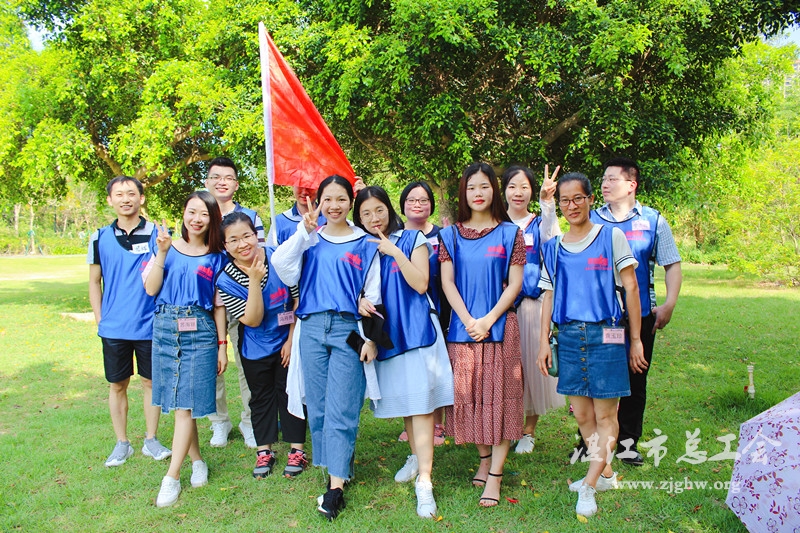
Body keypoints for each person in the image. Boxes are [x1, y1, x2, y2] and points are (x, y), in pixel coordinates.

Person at [536, 172, 647, 517]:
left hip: (607, 334)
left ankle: (589, 483)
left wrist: (636, 340)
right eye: (565, 200)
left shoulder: (611, 237)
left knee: (606, 415)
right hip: (569, 337)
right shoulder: (553, 248)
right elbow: (548, 296)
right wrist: (543, 341)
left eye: (578, 198)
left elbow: (631, 288)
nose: (572, 206)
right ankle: (606, 474)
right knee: (583, 415)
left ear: (589, 200)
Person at [272, 175, 381, 521]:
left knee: (343, 405)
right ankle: (337, 465)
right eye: (327, 200)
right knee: (318, 407)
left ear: (351, 201)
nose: (334, 206)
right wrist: (302, 232)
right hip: (312, 328)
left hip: (348, 330)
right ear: (318, 202)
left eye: (341, 199)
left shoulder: (365, 242)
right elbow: (282, 267)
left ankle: (335, 488)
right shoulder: (310, 239)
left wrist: (371, 338)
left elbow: (374, 293)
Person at [353, 186, 454, 518]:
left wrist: (394, 251)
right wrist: (359, 301)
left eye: (379, 210)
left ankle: (425, 480)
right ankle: (416, 456)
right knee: (409, 406)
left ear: (390, 209)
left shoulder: (413, 239)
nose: (374, 218)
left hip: (418, 332)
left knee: (422, 406)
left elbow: (421, 283)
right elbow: (354, 290)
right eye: (366, 213)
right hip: (387, 338)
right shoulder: (360, 249)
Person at [438, 162, 525, 508]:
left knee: (500, 402)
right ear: (464, 192)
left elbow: (514, 284)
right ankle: (484, 459)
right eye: (471, 187)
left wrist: (488, 320)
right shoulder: (449, 236)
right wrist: (468, 320)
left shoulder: (510, 234)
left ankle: (496, 476)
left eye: (484, 186)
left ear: (494, 190)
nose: (478, 193)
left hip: (500, 330)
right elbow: (447, 283)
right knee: (471, 399)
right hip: (463, 333)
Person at [590, 157, 682, 466]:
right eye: (604, 179)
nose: (605, 184)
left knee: (635, 378)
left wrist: (669, 303)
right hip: (602, 316)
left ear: (631, 184)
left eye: (612, 179)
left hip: (640, 315)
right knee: (599, 379)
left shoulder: (653, 221)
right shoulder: (591, 219)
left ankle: (628, 444)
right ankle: (590, 442)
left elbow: (672, 264)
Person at [144, 191, 228, 508]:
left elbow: (219, 307)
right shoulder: (166, 247)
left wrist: (222, 346)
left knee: (185, 405)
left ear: (212, 219)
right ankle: (197, 461)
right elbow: (151, 288)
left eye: (204, 214)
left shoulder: (217, 257)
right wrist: (162, 253)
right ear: (183, 214)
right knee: (182, 404)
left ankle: (172, 477)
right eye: (192, 212)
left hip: (200, 330)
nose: (197, 219)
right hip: (166, 327)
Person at [216, 212, 308, 479]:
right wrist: (254, 281)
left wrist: (291, 339)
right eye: (233, 240)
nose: (242, 244)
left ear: (256, 235)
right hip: (255, 345)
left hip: (286, 338)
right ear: (225, 245)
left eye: (246, 236)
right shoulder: (226, 279)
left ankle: (297, 450)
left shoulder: (278, 257)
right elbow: (253, 319)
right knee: (260, 398)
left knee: (290, 393)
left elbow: (296, 299)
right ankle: (264, 450)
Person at [88, 176, 171, 467]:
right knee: (117, 385)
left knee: (151, 382)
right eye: (119, 194)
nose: (126, 199)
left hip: (149, 325)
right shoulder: (99, 237)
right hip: (114, 327)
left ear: (141, 198)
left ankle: (151, 439)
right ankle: (122, 443)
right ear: (110, 200)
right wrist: (100, 319)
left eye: (131, 193)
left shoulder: (158, 235)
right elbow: (94, 281)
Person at [502, 165, 566, 455]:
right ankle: (507, 425)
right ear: (503, 190)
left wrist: (547, 202)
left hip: (530, 304)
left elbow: (553, 240)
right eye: (512, 186)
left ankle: (528, 430)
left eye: (524, 187)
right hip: (499, 306)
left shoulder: (538, 222)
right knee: (504, 369)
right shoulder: (495, 222)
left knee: (531, 366)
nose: (518, 193)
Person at [204, 157, 264, 448]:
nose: (222, 182)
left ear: (236, 184)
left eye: (228, 177)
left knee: (246, 361)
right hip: (208, 299)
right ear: (207, 182)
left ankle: (249, 420)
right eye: (216, 177)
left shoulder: (249, 216)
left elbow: (260, 253)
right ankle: (219, 421)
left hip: (243, 296)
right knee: (212, 363)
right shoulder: (201, 215)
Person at [396, 181, 450, 446]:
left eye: (423, 200)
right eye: (411, 200)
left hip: (439, 304)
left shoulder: (443, 235)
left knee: (434, 366)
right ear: (403, 204)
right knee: (409, 367)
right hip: (405, 309)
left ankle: (437, 423)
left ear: (431, 204)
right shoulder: (395, 236)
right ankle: (411, 421)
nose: (417, 205)